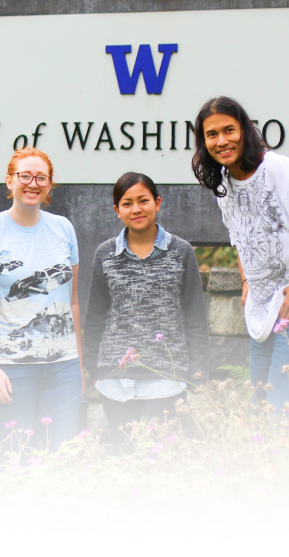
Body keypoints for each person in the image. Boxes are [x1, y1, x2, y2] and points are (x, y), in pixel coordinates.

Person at [192, 96, 289, 411]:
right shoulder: (225, 184)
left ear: (244, 131)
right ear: (203, 143)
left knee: (283, 415)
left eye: (229, 130)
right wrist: (247, 282)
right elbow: (240, 238)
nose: (222, 141)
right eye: (212, 134)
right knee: (259, 412)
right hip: (262, 317)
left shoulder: (276, 168)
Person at [0, 148, 83, 452]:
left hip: (63, 368)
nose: (33, 184)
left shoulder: (64, 229)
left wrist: (78, 365)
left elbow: (72, 302)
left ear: (50, 184)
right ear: (9, 180)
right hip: (9, 368)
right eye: (25, 176)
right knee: (15, 461)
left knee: (62, 461)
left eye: (41, 177)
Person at [84, 172, 207, 445]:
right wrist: (94, 369)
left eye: (143, 200)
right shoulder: (105, 254)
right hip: (115, 379)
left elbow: (194, 316)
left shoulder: (181, 251)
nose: (136, 209)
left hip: (167, 379)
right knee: (123, 453)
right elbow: (95, 316)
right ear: (117, 211)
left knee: (160, 456)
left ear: (158, 202)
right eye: (127, 203)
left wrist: (197, 372)